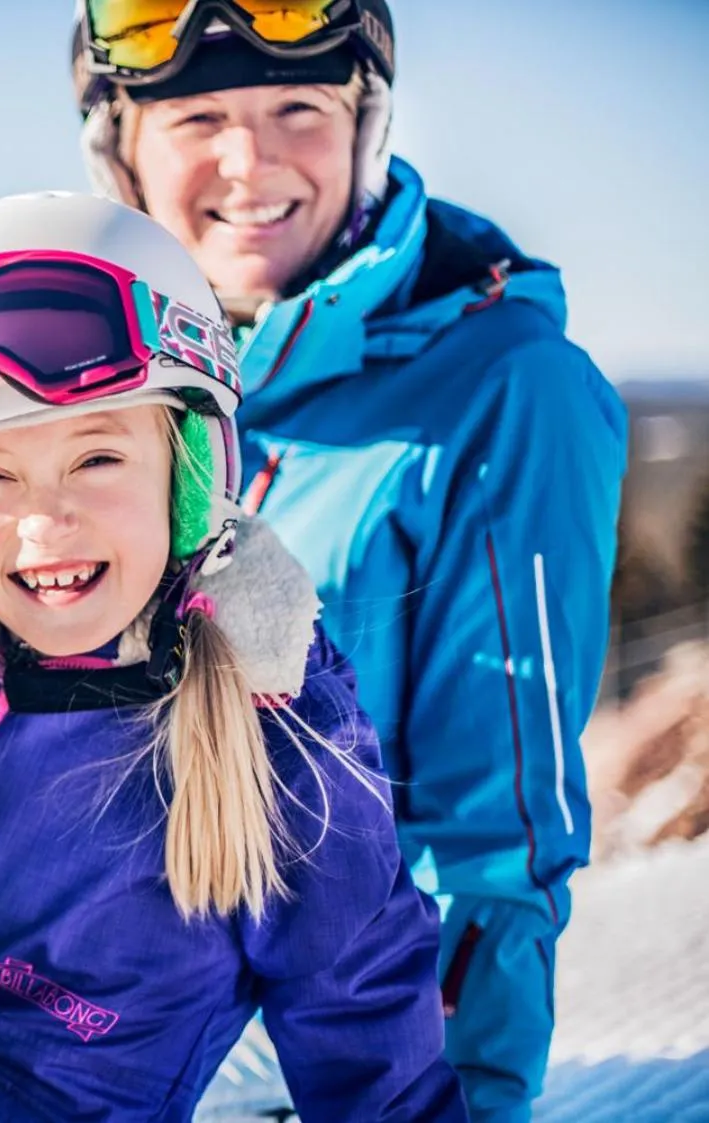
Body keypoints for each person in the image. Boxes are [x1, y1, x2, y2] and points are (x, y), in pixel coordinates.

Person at [68, 3, 628, 1118]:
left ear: (364, 125)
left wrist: (445, 1097)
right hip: (73, 1005)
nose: (249, 161)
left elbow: (497, 835)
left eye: (297, 109)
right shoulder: (102, 377)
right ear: (119, 147)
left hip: (296, 1040)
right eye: (197, 118)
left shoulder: (502, 389)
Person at [0, 189, 465, 1122]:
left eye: (97, 459)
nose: (45, 519)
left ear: (188, 473)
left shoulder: (271, 734)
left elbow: (361, 1013)